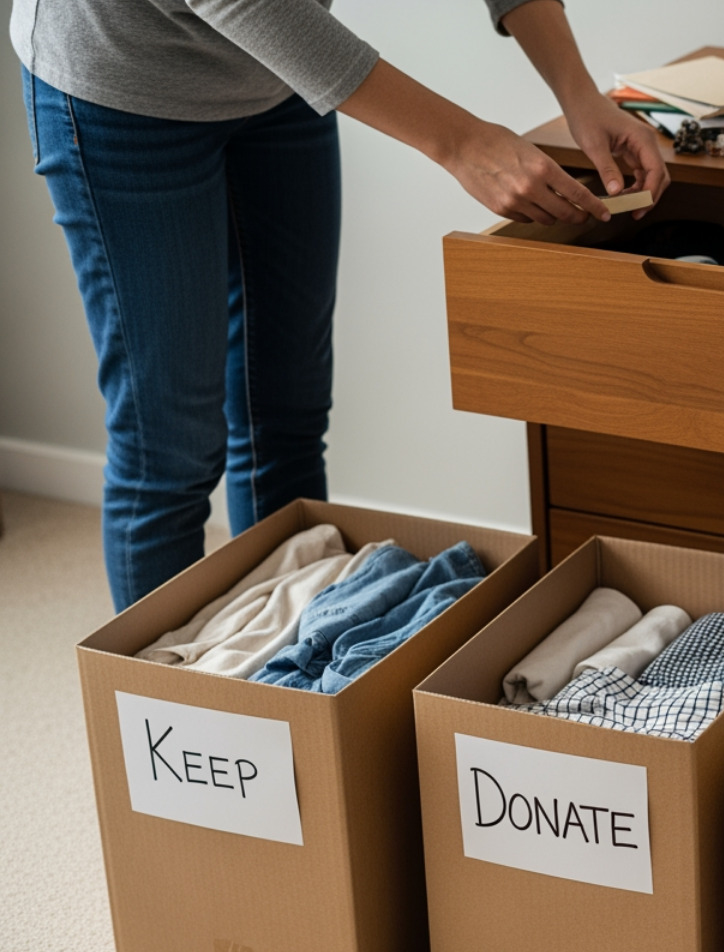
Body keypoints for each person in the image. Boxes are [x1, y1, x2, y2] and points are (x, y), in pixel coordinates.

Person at [10, 0, 669, 612]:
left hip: (281, 78)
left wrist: (579, 94)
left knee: (286, 416)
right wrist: (462, 143)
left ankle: (281, 687)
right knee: (170, 453)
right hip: (125, 85)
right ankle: (163, 716)